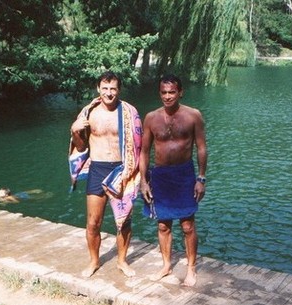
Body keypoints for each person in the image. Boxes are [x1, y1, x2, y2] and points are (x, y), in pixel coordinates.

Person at [70, 71, 142, 278]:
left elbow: (139, 145)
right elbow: (82, 147)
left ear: (119, 90)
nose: (109, 93)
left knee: (124, 221)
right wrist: (75, 133)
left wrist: (141, 176)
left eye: (113, 89)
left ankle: (121, 261)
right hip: (98, 169)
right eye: (105, 88)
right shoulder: (88, 113)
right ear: (98, 89)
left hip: (123, 169)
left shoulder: (129, 112)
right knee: (93, 222)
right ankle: (94, 261)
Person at [139, 74, 207, 287]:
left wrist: (201, 178)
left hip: (184, 175)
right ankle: (166, 265)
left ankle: (191, 268)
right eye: (163, 92)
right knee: (163, 225)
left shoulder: (193, 115)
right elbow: (144, 151)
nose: (167, 97)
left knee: (187, 225)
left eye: (172, 92)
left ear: (180, 92)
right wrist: (143, 180)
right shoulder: (151, 118)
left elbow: (202, 148)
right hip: (160, 175)